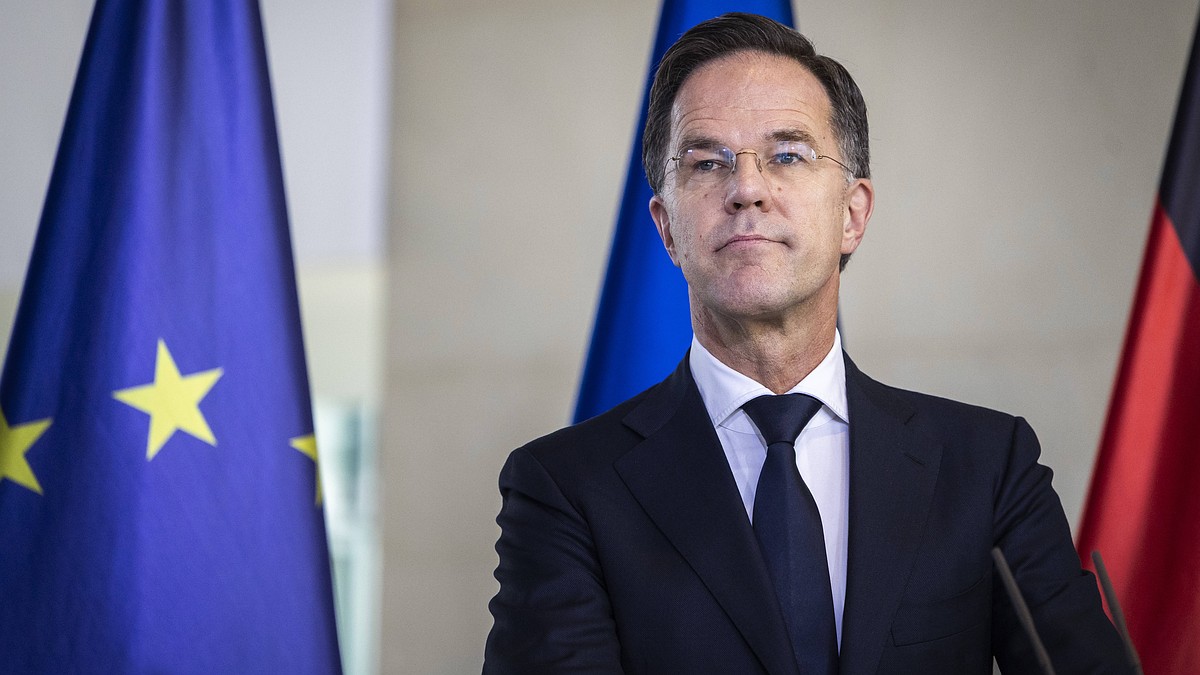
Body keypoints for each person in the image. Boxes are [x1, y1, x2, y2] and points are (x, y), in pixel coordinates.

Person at [485, 12, 1131, 674]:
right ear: (667, 228)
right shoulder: (564, 488)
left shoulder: (988, 467)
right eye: (707, 163)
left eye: (788, 155)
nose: (746, 189)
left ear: (852, 213)